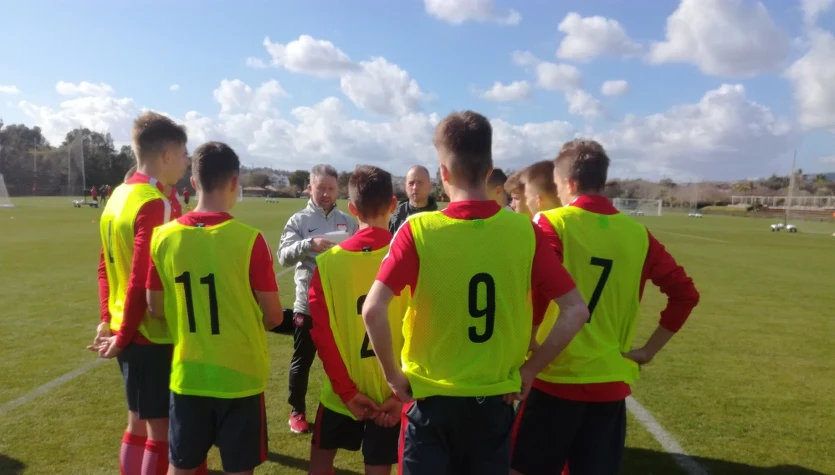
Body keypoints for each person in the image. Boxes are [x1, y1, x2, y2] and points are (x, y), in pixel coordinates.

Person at [361, 110, 590, 475]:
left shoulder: (417, 230)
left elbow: (373, 310)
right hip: (494, 401)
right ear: (489, 170)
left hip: (431, 399)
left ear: (443, 173)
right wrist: (530, 370)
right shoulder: (525, 231)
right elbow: (576, 310)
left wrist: (392, 376)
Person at [510, 140, 701, 475]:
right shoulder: (638, 234)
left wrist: (530, 336)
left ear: (568, 183)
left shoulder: (552, 223)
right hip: (609, 386)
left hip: (555, 378)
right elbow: (685, 294)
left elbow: (537, 286)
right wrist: (649, 350)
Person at [146, 141, 283, 475]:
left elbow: (154, 307)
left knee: (181, 467)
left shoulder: (162, 237)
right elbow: (274, 316)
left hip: (188, 374)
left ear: (193, 182)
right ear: (235, 182)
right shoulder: (249, 239)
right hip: (241, 377)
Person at [88, 111, 192, 475]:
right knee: (161, 430)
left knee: (137, 421)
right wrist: (124, 334)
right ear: (166, 155)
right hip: (151, 332)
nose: (186, 163)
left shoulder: (118, 195)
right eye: (183, 155)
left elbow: (104, 265)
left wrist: (108, 320)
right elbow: (141, 279)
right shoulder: (153, 202)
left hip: (124, 326)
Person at [307, 165, 406, 475]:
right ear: (393, 204)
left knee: (320, 464)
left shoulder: (327, 264)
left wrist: (347, 392)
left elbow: (321, 335)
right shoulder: (408, 259)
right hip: (391, 391)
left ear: (351, 209)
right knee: (378, 468)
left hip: (341, 393)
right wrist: (399, 394)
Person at [277, 164, 359, 434]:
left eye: (331, 188)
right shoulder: (299, 221)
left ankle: (349, 406)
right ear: (310, 188)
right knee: (302, 361)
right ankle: (297, 411)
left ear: (338, 190)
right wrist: (308, 244)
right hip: (308, 305)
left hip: (339, 305)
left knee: (344, 361)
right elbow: (283, 256)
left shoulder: (348, 221)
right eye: (320, 188)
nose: (326, 193)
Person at [388, 165, 438, 233]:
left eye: (420, 183)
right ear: (405, 187)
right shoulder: (396, 218)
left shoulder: (437, 219)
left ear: (429, 186)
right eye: (411, 183)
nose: (415, 187)